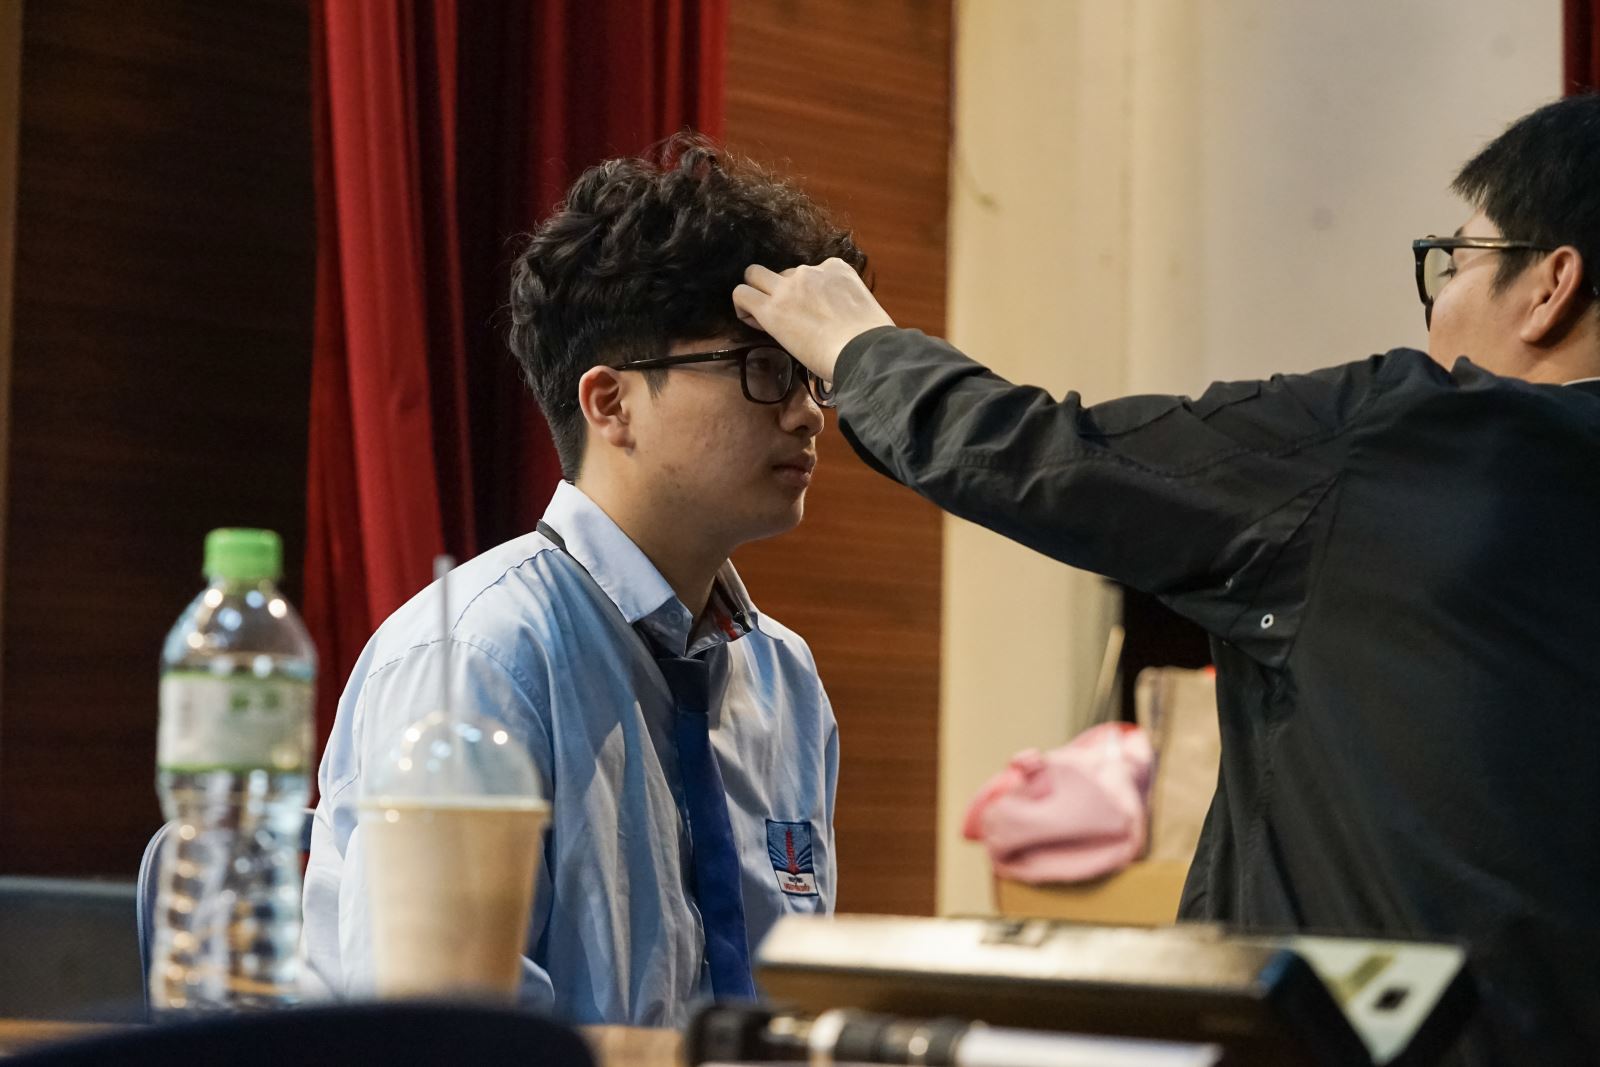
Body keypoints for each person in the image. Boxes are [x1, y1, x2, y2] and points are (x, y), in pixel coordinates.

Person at [733, 95, 1600, 1063]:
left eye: (1457, 260)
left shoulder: (1420, 436)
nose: (1437, 303)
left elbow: (1045, 457)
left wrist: (860, 348)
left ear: (1550, 283)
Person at [302, 135, 863, 1026]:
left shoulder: (784, 678)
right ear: (611, 403)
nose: (805, 413)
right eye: (762, 368)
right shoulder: (479, 656)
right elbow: (441, 1041)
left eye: (809, 377)